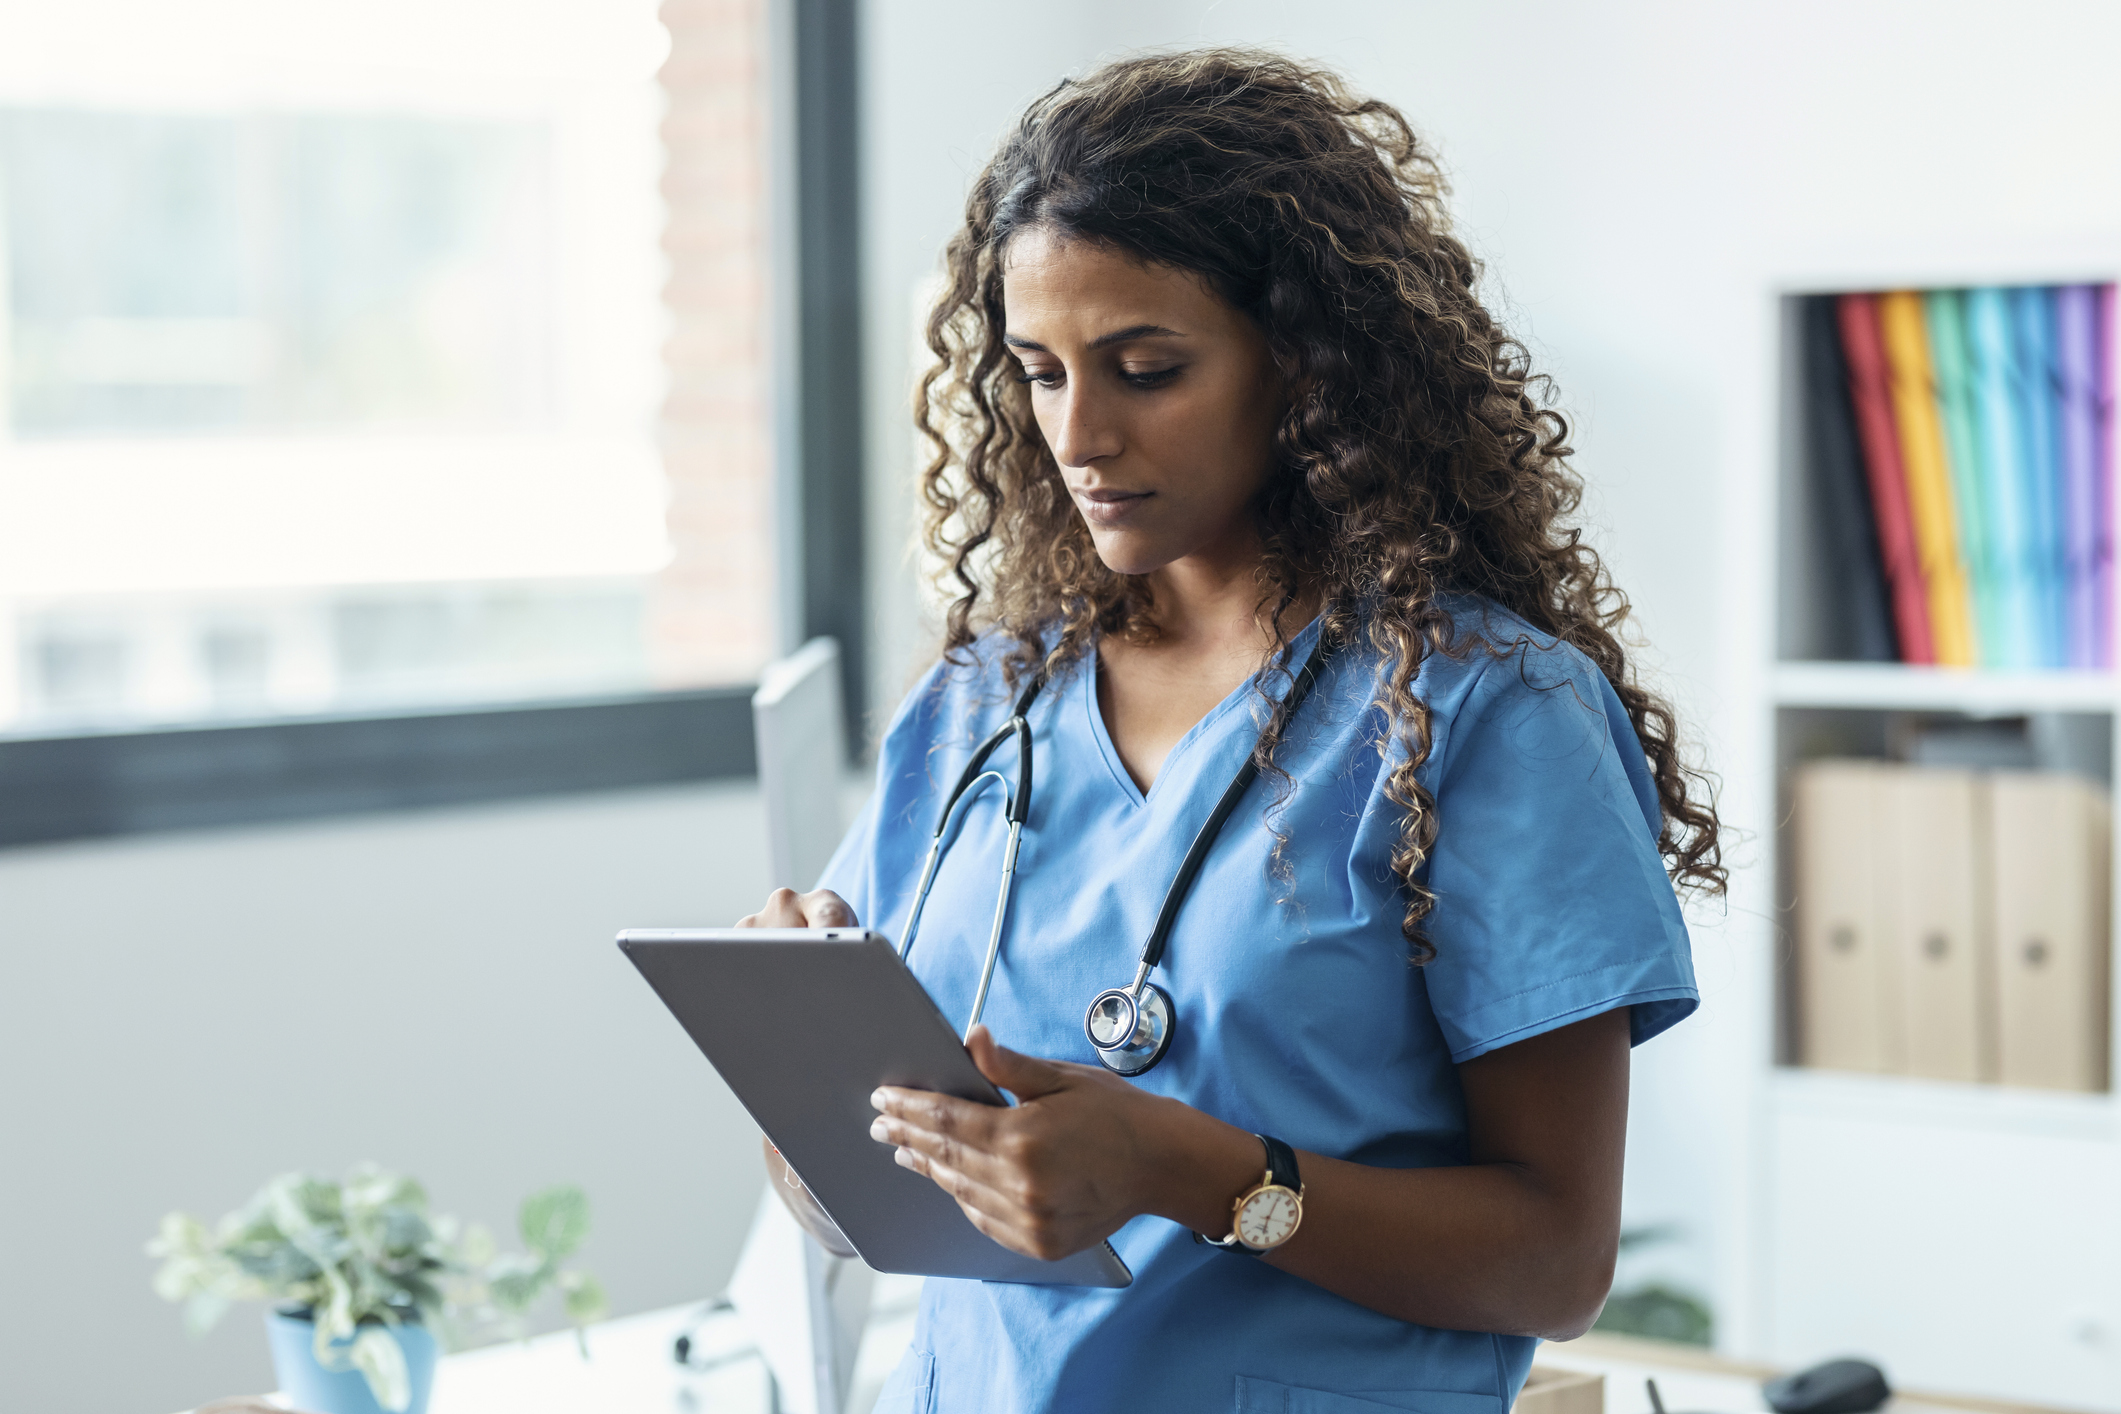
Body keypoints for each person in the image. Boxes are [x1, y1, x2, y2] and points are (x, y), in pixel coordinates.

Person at [738, 47, 1723, 1413]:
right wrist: (800, 1060)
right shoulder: (980, 702)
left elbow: (1553, 1262)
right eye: (1037, 371)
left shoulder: (1486, 713)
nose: (1077, 432)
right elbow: (850, 1208)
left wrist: (1184, 1168)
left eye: (1145, 367)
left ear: (1303, 366)